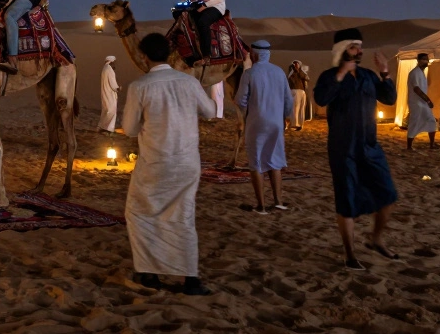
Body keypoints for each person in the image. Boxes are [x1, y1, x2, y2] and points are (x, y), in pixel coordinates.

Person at [121, 33, 217, 296]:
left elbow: (129, 129)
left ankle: (148, 272)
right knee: (183, 216)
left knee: (139, 213)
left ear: (144, 56)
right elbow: (210, 111)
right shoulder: (189, 82)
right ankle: (190, 278)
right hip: (187, 162)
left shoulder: (140, 86)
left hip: (155, 162)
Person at [313, 28, 398, 271]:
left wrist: (385, 73)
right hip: (343, 149)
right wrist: (340, 74)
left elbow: (389, 99)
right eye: (354, 47)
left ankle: (376, 239)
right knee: (346, 200)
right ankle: (350, 255)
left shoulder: (369, 76)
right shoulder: (329, 76)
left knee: (388, 194)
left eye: (360, 47)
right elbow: (321, 99)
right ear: (342, 49)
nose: (359, 51)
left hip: (370, 146)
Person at [235, 40, 294, 213]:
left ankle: (261, 206)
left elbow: (240, 100)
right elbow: (288, 100)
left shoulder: (249, 73)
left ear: (254, 54)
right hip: (276, 122)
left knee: (256, 163)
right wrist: (285, 116)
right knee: (274, 162)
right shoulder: (279, 72)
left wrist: (248, 106)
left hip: (256, 122)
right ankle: (278, 201)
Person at [405, 53, 438, 149]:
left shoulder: (421, 72)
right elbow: (416, 89)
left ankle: (432, 144)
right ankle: (409, 146)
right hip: (417, 103)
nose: (425, 61)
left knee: (431, 121)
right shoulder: (414, 73)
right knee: (414, 122)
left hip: (422, 103)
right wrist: (427, 100)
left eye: (427, 59)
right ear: (418, 60)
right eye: (423, 59)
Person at [287, 60, 309, 131]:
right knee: (295, 108)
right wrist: (296, 71)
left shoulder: (301, 73)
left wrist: (299, 71)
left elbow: (306, 78)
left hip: (302, 91)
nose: (296, 65)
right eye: (295, 64)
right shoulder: (292, 73)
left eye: (297, 64)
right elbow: (291, 80)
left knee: (301, 109)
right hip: (295, 91)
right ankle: (295, 124)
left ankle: (300, 124)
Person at [99, 56, 120, 132]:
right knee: (111, 110)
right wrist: (117, 88)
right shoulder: (109, 69)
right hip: (110, 93)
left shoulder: (104, 68)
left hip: (105, 92)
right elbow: (112, 82)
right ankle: (107, 128)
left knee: (106, 110)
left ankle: (102, 127)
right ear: (111, 61)